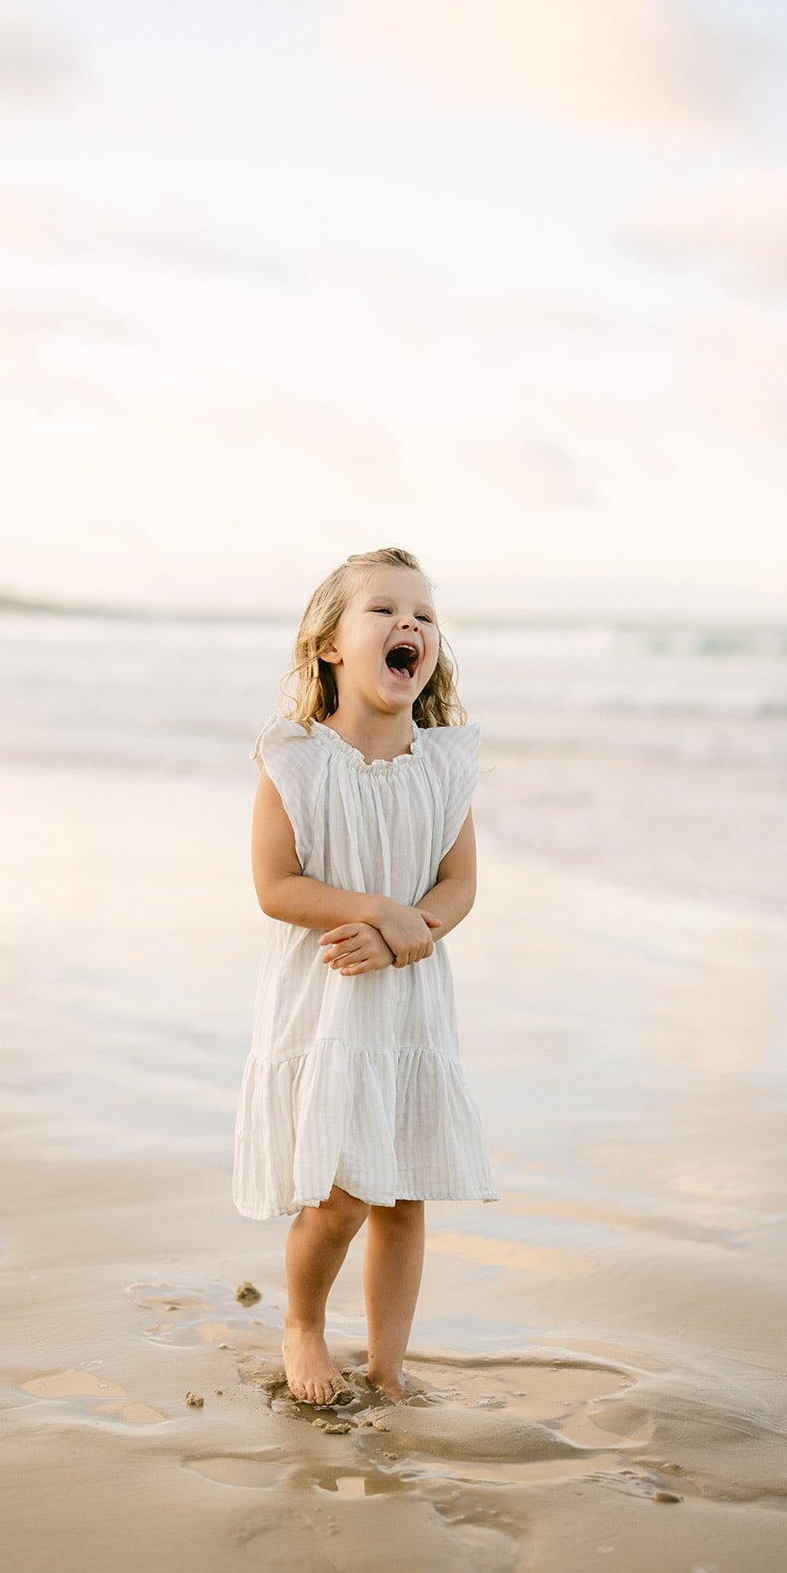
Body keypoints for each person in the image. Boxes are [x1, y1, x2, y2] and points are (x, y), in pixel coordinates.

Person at [233, 546, 498, 1408]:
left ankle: (387, 1367)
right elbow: (276, 886)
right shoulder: (297, 762)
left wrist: (407, 932)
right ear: (329, 646)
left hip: (410, 1003)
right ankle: (303, 1324)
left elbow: (458, 884)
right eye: (383, 610)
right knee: (343, 1194)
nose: (408, 626)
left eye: (422, 615)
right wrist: (376, 911)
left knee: (404, 1195)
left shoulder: (444, 765)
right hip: (329, 1005)